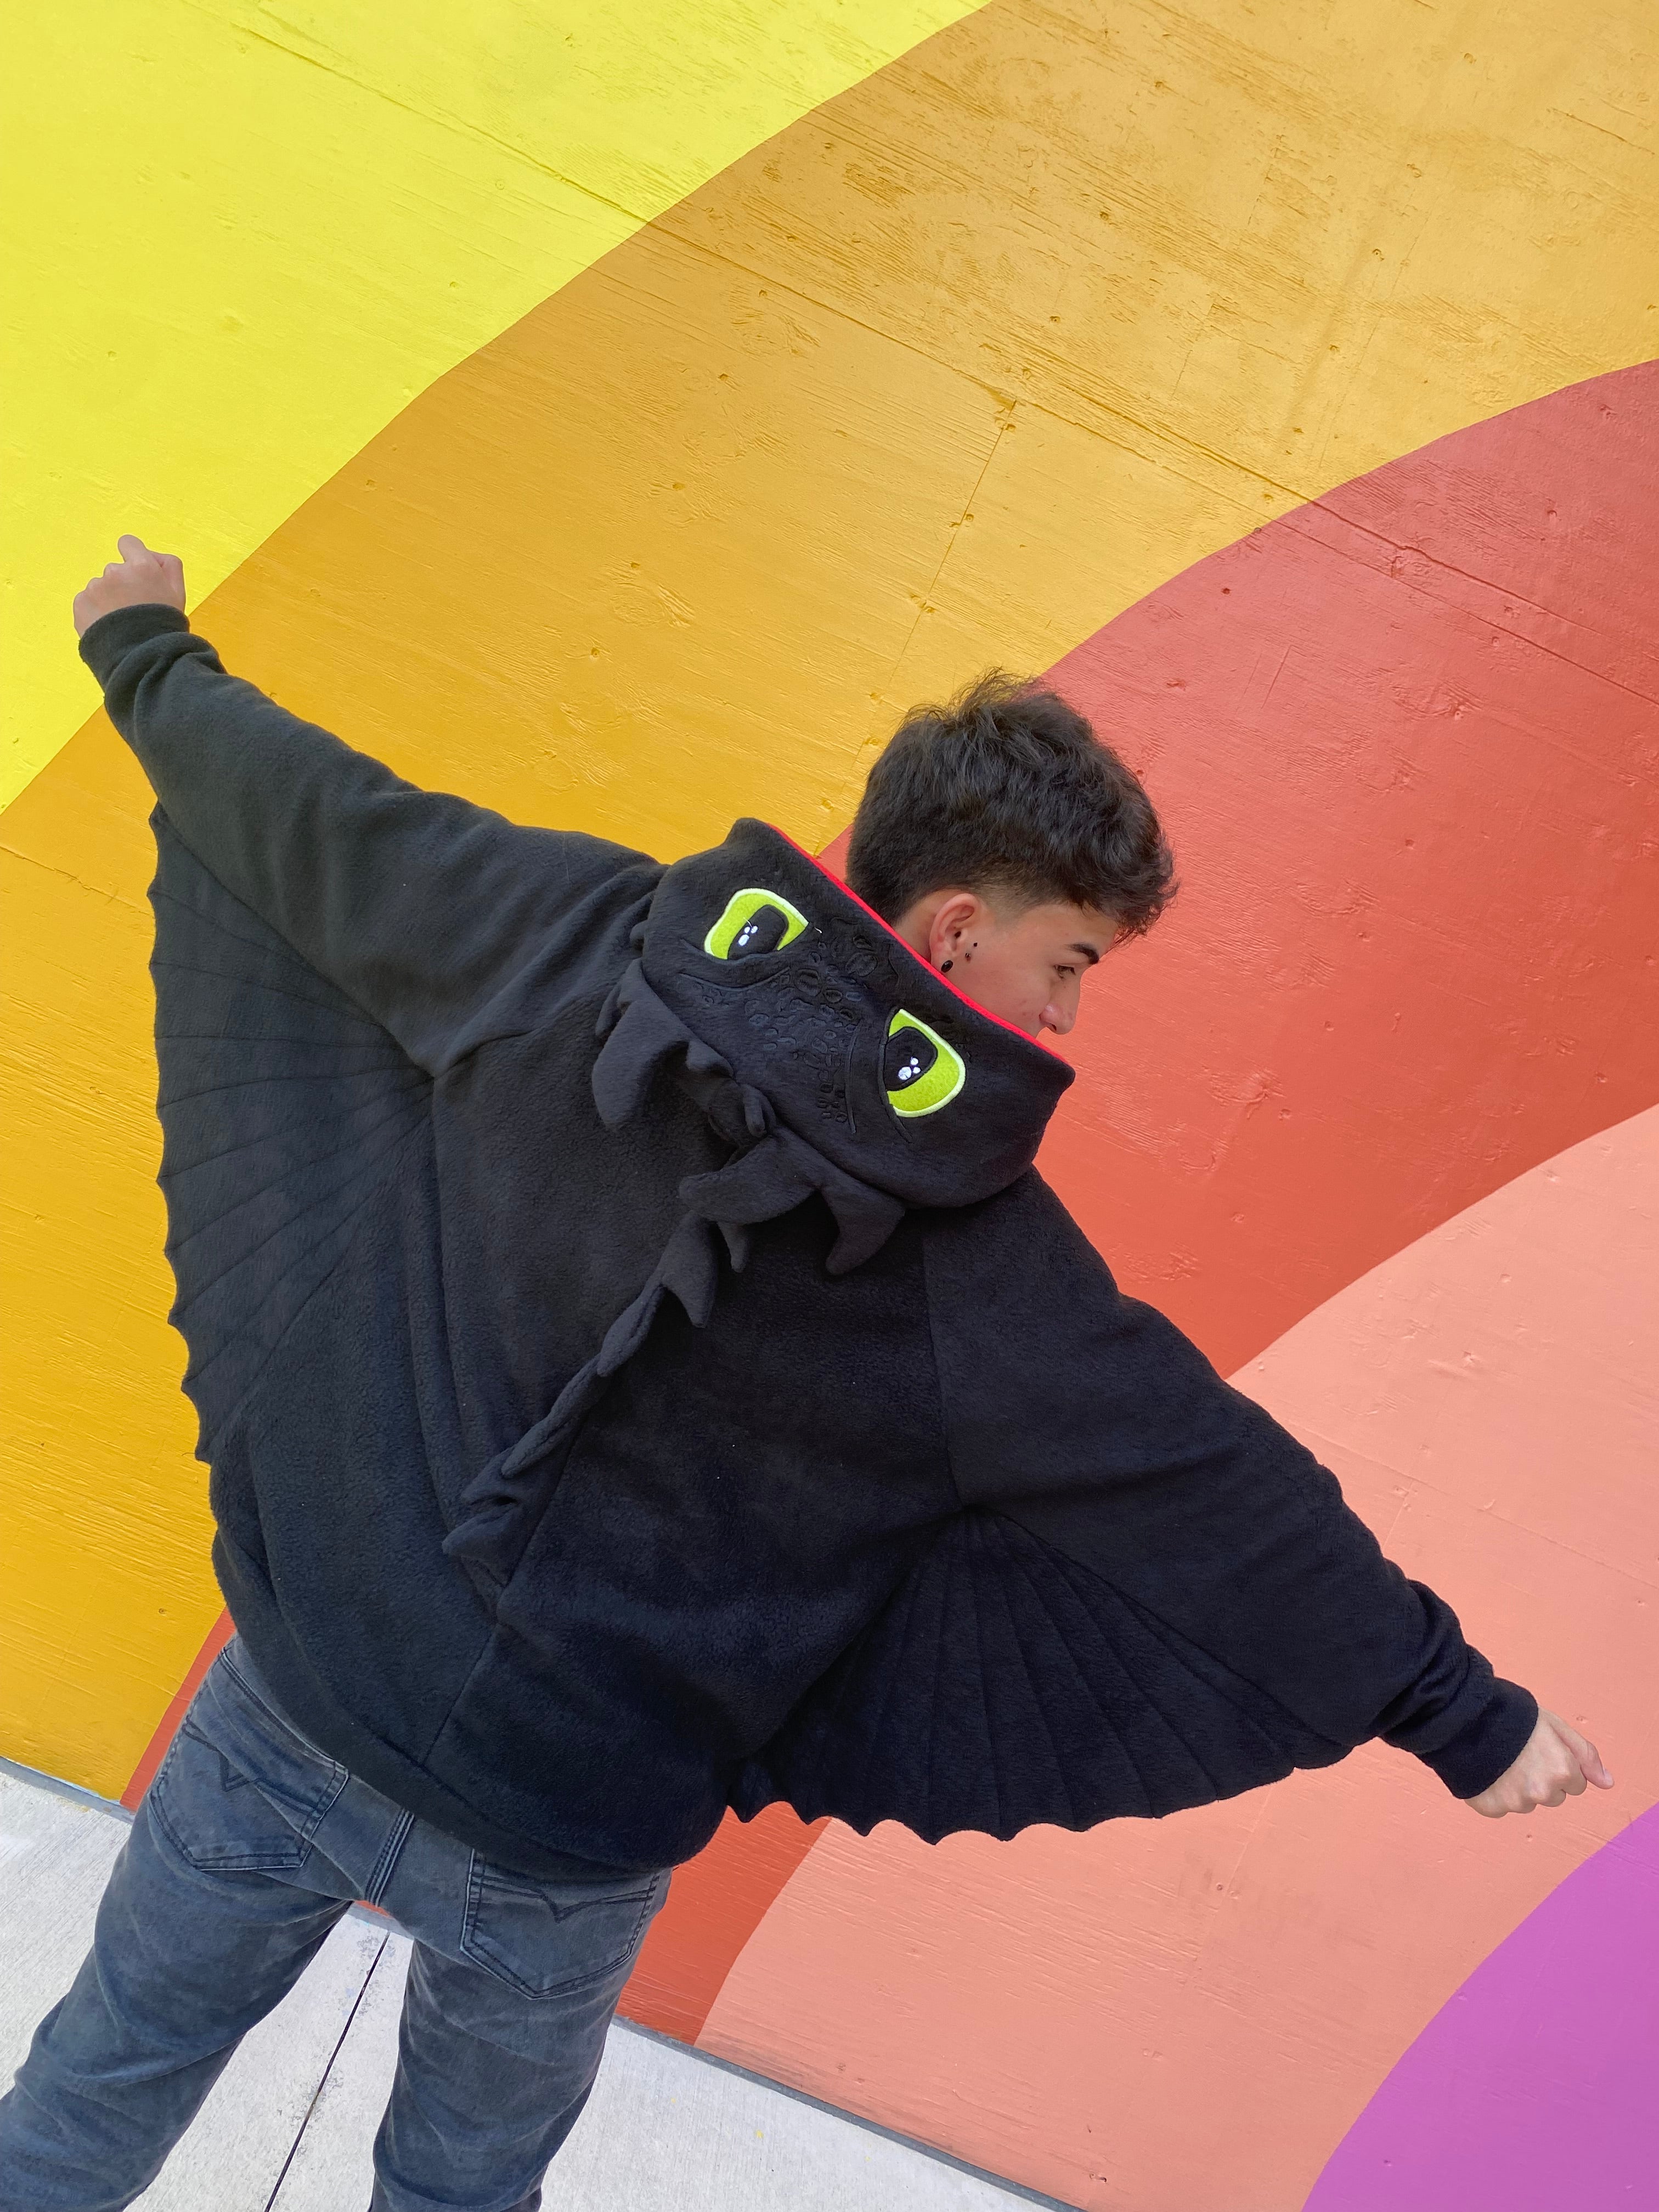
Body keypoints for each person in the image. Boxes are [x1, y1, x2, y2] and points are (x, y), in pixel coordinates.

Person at [1, 537, 1612, 2212]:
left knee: (95, 2085)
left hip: (302, 1703)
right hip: (558, 1838)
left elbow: (307, 814)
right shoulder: (987, 1276)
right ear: (959, 927)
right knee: (459, 2199)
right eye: (1069, 965)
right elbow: (1225, 1504)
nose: (1067, 1019)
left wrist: (143, 648)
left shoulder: (571, 934)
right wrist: (1465, 1717)